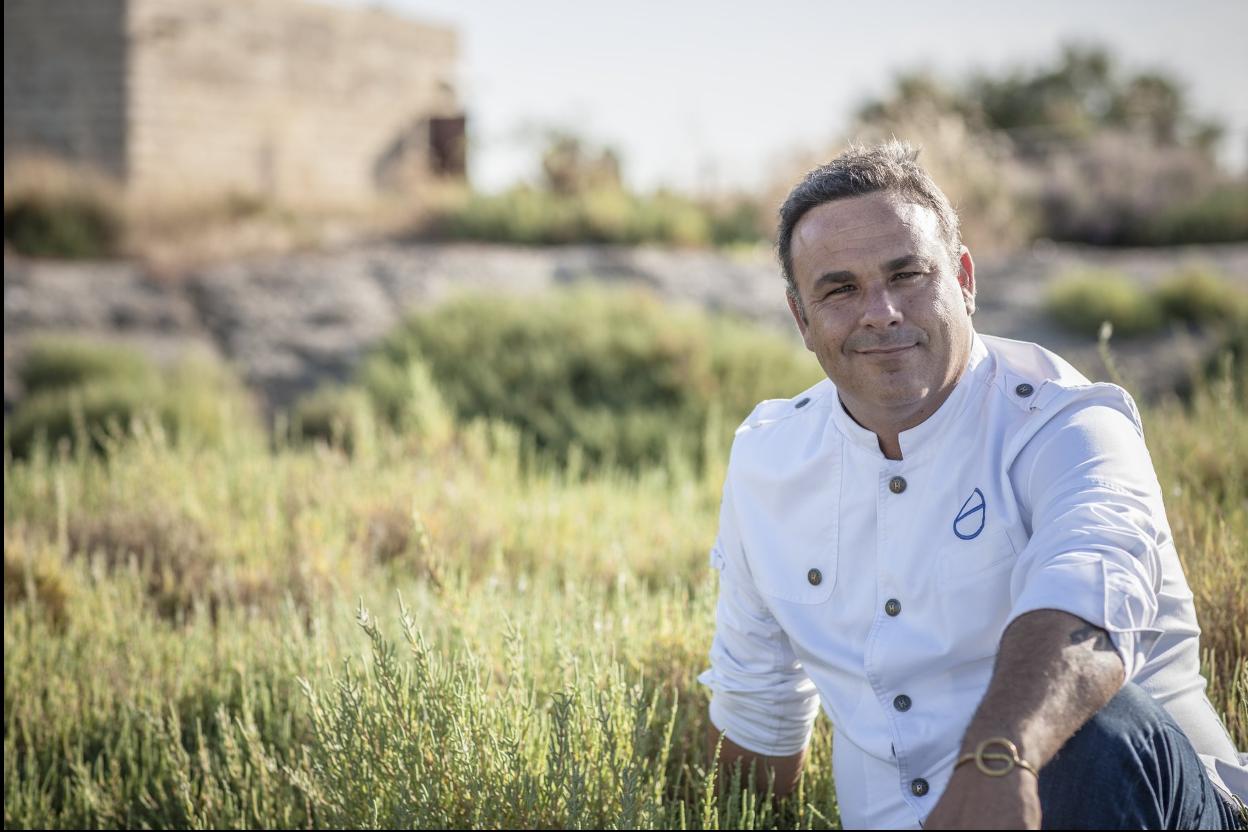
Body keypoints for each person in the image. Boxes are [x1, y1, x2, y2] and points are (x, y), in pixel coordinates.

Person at [697, 140, 1248, 830]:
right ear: (802, 318)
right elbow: (760, 714)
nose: (882, 312)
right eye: (840, 289)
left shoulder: (1070, 425)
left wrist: (999, 760)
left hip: (1155, 803)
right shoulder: (768, 462)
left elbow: (1085, 604)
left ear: (963, 278)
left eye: (907, 275)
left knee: (1104, 727)